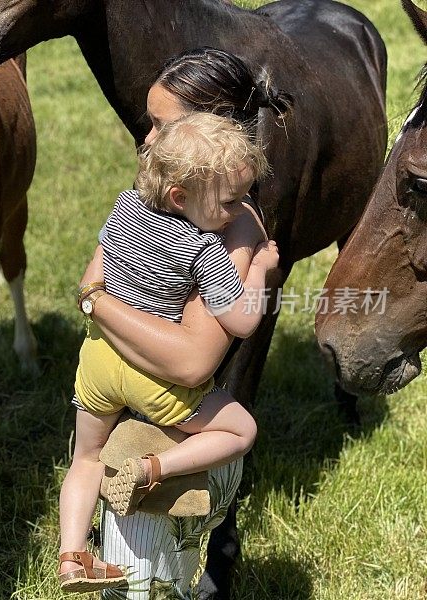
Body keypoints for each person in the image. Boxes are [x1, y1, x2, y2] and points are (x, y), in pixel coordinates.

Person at [56, 47, 291, 594]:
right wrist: (260, 267)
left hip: (95, 360)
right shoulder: (205, 240)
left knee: (84, 456)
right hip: (148, 382)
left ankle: (71, 553)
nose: (146, 140)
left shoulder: (126, 203)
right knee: (241, 428)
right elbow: (240, 322)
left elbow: (92, 279)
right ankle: (157, 470)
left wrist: (96, 302)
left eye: (159, 126)